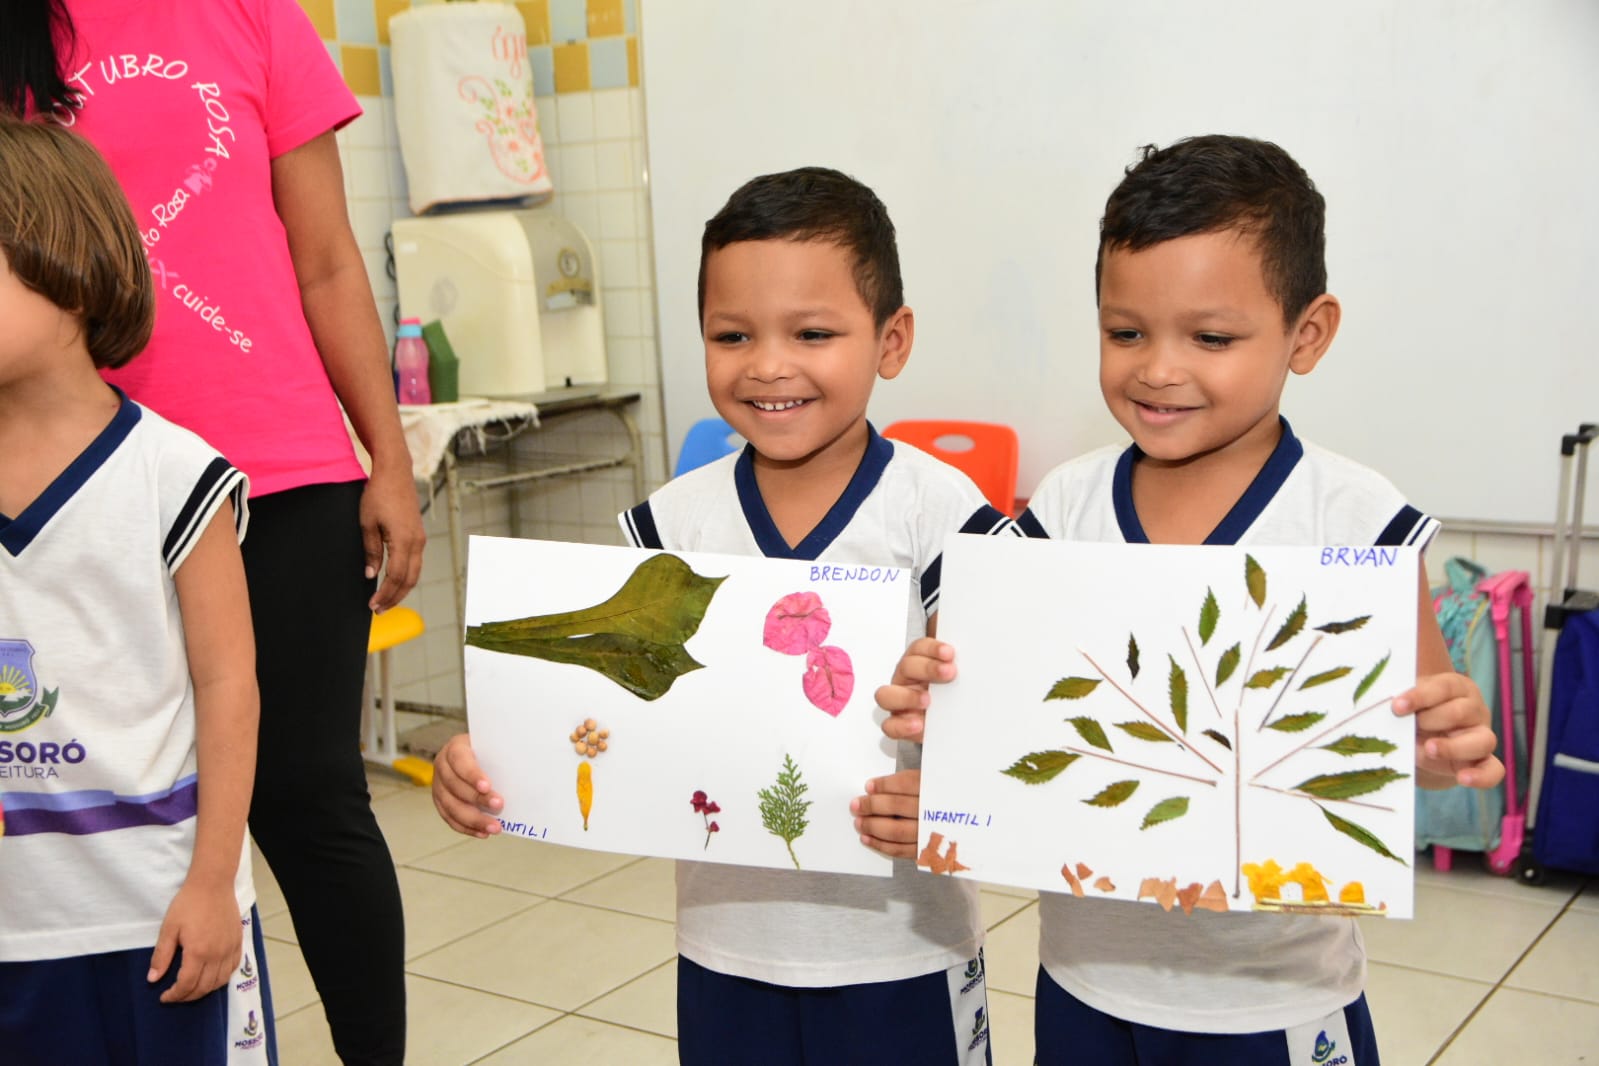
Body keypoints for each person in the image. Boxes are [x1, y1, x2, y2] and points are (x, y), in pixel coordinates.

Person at [868, 135, 1506, 1065]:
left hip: (1270, 1002)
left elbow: (1421, 758)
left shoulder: (1354, 518)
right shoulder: (1062, 510)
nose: (1157, 368)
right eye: (1124, 332)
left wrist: (1445, 748)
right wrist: (934, 699)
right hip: (1082, 980)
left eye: (1209, 338)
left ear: (1307, 333)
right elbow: (981, 713)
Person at [434, 166, 1020, 1065]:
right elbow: (607, 712)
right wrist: (495, 759)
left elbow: (1020, 715)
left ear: (890, 340)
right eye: (732, 334)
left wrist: (957, 789)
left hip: (901, 953)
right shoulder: (671, 526)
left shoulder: (941, 514)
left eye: (813, 332)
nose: (768, 364)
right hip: (723, 951)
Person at [0, 3, 423, 1061]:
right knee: (69, 784)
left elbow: (325, 259)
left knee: (308, 799)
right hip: (65, 485)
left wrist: (390, 453)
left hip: (278, 471)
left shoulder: (251, 13)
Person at [0, 118, 268, 1064]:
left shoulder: (171, 475)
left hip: (158, 916)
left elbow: (229, 684)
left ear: (65, 264)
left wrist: (212, 881)